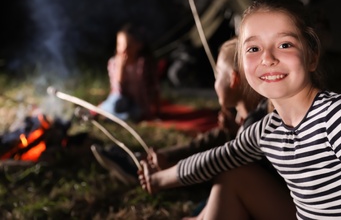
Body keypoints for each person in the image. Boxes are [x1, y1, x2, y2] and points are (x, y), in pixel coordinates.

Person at [138, 0, 341, 220]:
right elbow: (214, 160)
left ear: (312, 56)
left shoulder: (340, 118)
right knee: (233, 176)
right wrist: (160, 179)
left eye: (285, 44)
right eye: (254, 48)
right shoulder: (267, 130)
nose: (267, 58)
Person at [91, 37, 267, 184]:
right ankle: (148, 160)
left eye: (217, 74)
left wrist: (165, 178)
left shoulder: (254, 125)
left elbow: (222, 160)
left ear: (233, 80)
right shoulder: (249, 115)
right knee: (217, 137)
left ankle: (155, 166)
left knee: (216, 154)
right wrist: (234, 130)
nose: (215, 82)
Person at [98, 23, 160, 122]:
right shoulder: (114, 63)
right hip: (120, 99)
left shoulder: (144, 64)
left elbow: (154, 87)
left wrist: (155, 111)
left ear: (139, 45)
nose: (123, 49)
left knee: (136, 113)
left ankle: (111, 115)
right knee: (117, 103)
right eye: (120, 45)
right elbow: (117, 89)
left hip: (137, 103)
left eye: (128, 45)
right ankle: (106, 111)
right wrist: (121, 68)